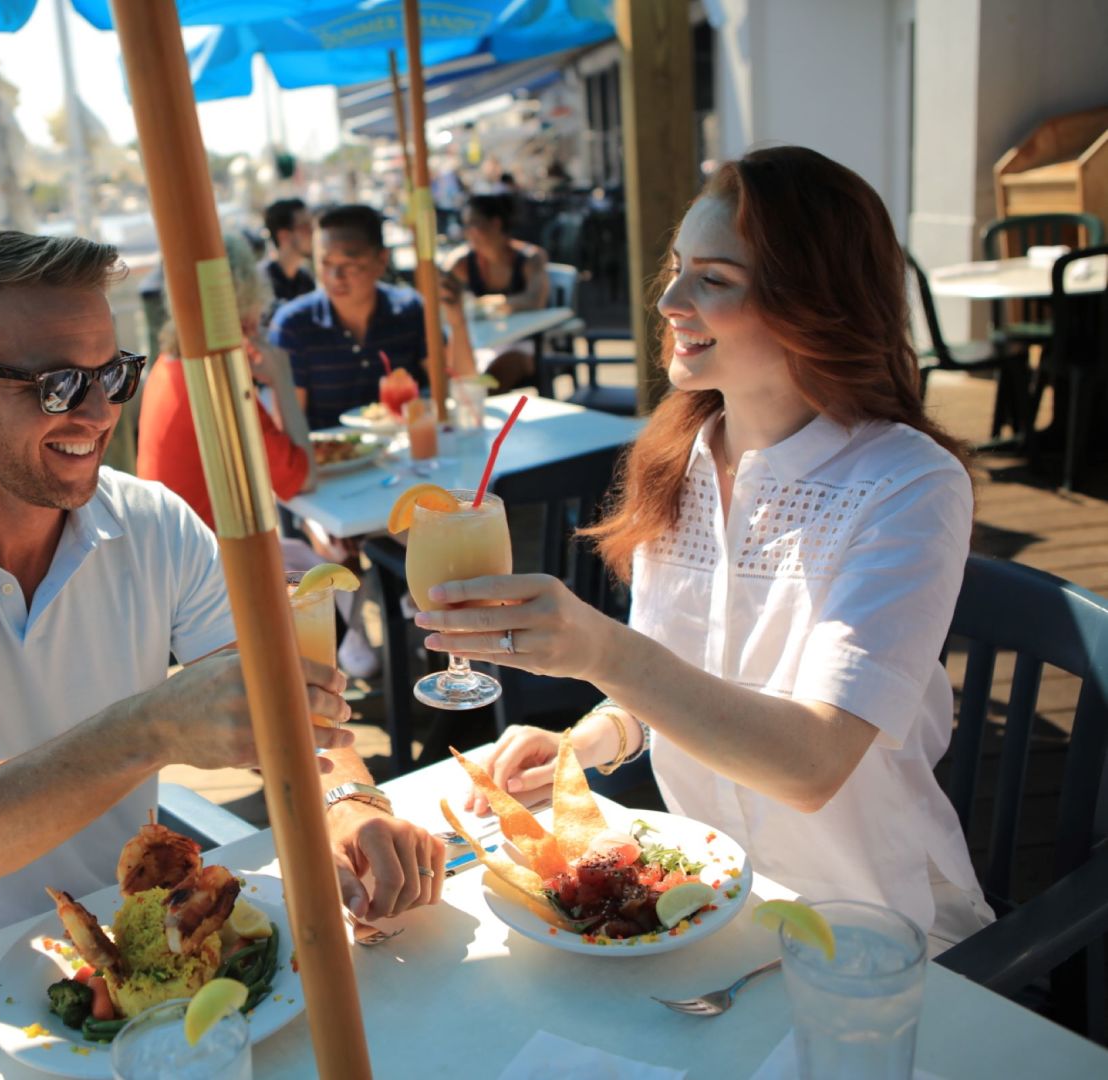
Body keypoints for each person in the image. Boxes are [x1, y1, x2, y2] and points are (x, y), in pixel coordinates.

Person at [0, 230, 444, 979]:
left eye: (114, 375)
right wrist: (149, 728)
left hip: (138, 957)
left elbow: (282, 708)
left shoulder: (155, 523)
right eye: (58, 384)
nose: (97, 414)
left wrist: (349, 801)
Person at [419, 147, 994, 950]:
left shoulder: (906, 484)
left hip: (868, 926)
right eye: (678, 268)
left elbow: (813, 763)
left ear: (816, 304)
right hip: (702, 901)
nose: (669, 300)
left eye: (714, 279)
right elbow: (678, 677)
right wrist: (587, 740)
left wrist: (601, 650)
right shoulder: (675, 459)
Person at [138, 232, 313, 532]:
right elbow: (303, 479)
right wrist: (281, 379)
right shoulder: (216, 384)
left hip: (172, 555)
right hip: (210, 568)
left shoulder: (168, 364)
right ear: (247, 307)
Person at [269, 204, 428, 431]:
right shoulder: (292, 326)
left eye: (349, 264)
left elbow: (452, 388)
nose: (335, 277)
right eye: (325, 263)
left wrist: (457, 321)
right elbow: (290, 429)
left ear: (382, 261)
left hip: (409, 453)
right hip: (334, 462)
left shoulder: (410, 310)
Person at [442, 193, 550, 390]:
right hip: (483, 343)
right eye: (465, 226)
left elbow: (535, 300)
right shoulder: (466, 263)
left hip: (525, 343)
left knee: (491, 379)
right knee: (455, 373)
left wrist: (491, 303)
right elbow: (442, 287)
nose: (468, 233)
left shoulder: (529, 259)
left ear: (496, 224)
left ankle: (491, 417)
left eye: (473, 224)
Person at [261, 198, 316, 314]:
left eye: (313, 226)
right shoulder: (261, 284)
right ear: (284, 235)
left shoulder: (305, 280)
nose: (313, 233)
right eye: (306, 227)